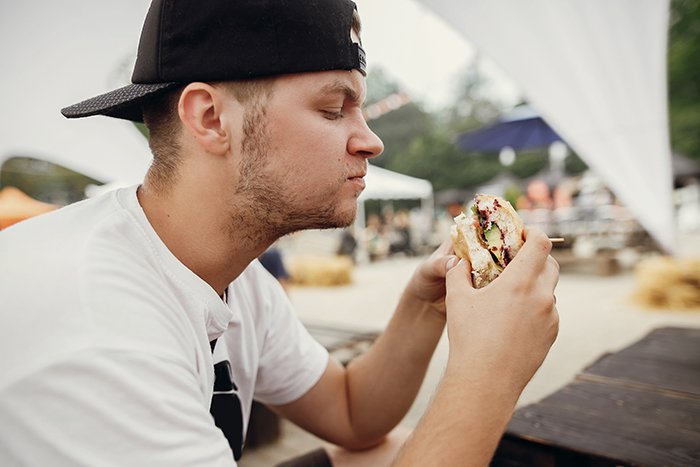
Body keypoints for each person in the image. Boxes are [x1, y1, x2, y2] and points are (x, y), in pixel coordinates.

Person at [0, 1, 560, 466]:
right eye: (334, 108)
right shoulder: (96, 327)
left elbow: (351, 415)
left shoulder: (231, 277)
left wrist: (424, 304)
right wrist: (490, 371)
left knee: (375, 455)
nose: (371, 142)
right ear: (211, 119)